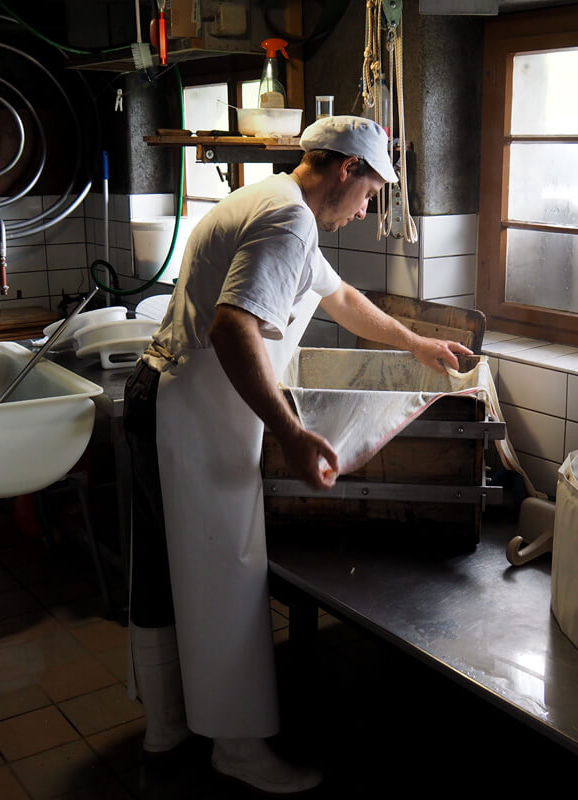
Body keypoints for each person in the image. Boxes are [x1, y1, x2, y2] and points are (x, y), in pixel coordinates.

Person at [123, 115, 472, 794]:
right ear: (346, 169)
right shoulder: (289, 220)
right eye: (370, 193)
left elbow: (337, 297)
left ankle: (166, 727)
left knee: (165, 571)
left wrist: (413, 343)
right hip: (191, 413)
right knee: (227, 571)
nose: (367, 209)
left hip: (158, 399)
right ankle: (238, 747)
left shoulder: (270, 198)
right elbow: (233, 329)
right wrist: (288, 430)